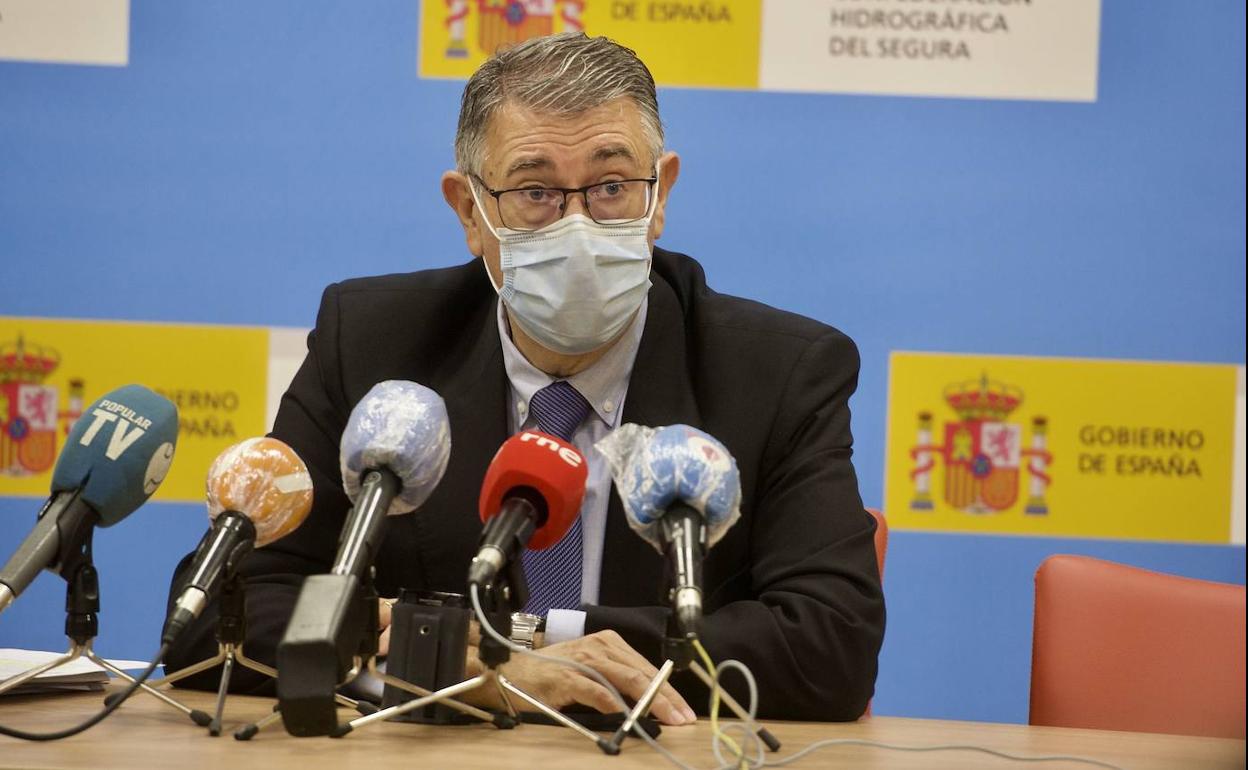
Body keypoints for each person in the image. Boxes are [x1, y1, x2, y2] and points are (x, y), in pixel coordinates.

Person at [164, 32, 884, 725]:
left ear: (660, 194)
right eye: (535, 192)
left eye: (610, 186)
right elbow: (214, 617)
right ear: (469, 211)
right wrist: (462, 678)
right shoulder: (375, 344)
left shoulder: (780, 371)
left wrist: (525, 646)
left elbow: (829, 645)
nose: (578, 225)